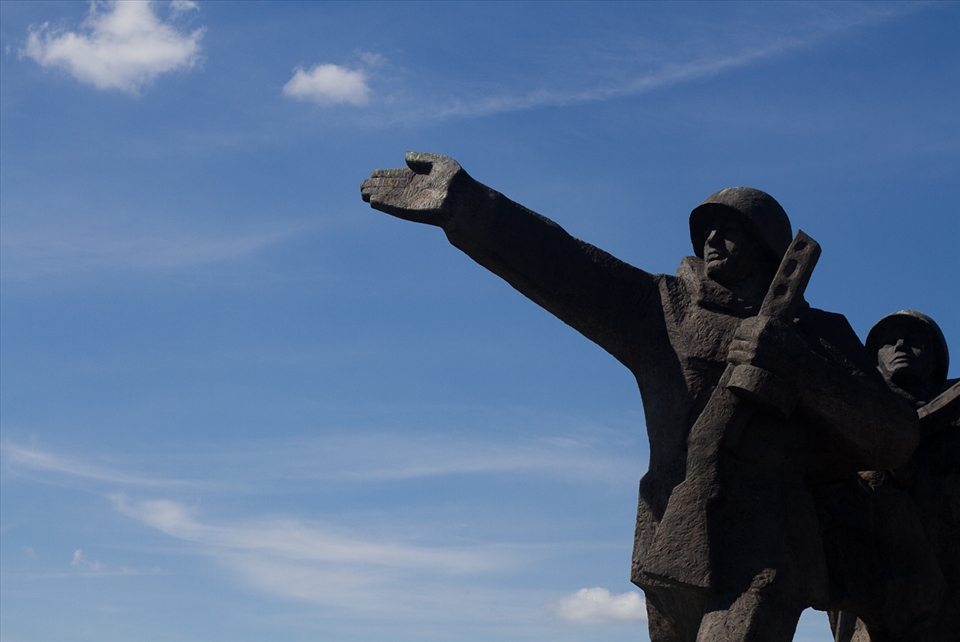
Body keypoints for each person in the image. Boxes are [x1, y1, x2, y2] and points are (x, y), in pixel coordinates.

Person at [361, 152, 918, 642]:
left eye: (731, 229)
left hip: (771, 546)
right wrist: (465, 203)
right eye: (706, 230)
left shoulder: (818, 335)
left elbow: (895, 436)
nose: (712, 239)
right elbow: (566, 265)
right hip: (672, 533)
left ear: (768, 244)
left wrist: (799, 368)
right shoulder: (667, 309)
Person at [828, 311, 959, 642]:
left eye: (914, 341)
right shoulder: (854, 414)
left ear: (935, 359)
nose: (900, 346)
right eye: (888, 341)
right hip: (876, 584)